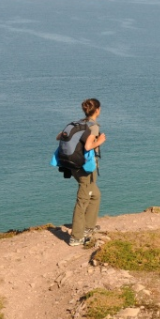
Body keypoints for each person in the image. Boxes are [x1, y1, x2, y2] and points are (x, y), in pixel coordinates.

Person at [63, 98, 107, 246]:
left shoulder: (79, 123)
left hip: (73, 167)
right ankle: (76, 237)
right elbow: (88, 146)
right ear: (98, 110)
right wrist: (99, 141)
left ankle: (88, 227)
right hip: (85, 169)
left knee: (95, 195)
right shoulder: (92, 127)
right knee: (82, 201)